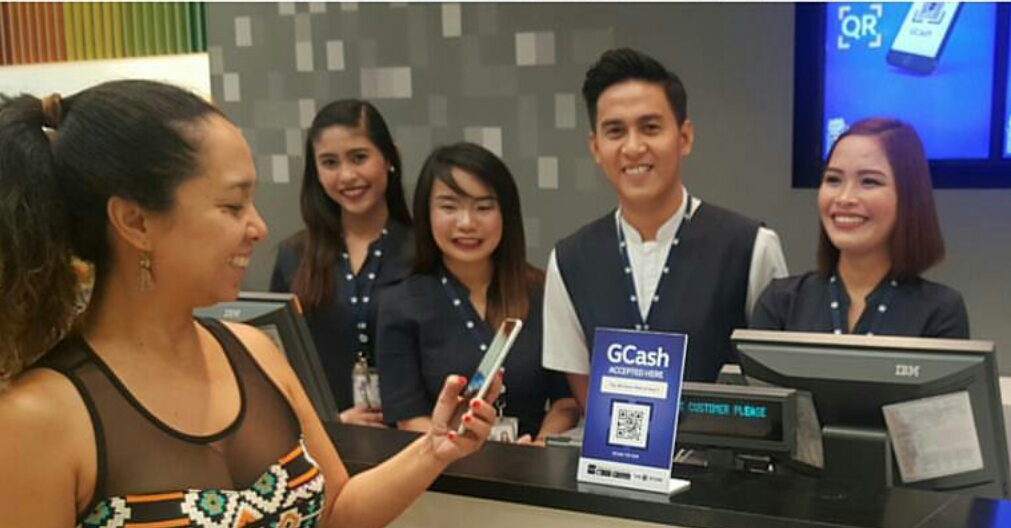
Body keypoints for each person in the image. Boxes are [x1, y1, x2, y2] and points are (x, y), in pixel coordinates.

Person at [0, 81, 497, 528]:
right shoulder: (42, 416)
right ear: (134, 221)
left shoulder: (254, 353)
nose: (258, 228)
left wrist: (435, 449)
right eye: (232, 206)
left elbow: (336, 516)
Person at [543, 48, 789, 411]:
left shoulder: (751, 247)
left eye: (650, 127)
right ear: (595, 147)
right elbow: (583, 388)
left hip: (722, 447)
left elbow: (776, 384)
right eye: (615, 131)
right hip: (611, 447)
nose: (633, 147)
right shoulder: (570, 260)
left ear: (684, 137)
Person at [376, 143, 579, 443]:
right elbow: (408, 417)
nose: (467, 223)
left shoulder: (542, 292)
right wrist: (458, 450)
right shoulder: (400, 304)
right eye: (449, 207)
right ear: (426, 213)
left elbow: (566, 401)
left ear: (506, 214)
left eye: (483, 207)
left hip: (530, 464)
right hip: (443, 466)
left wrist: (538, 446)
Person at [751, 118, 970, 338]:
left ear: (909, 196)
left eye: (869, 182)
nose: (844, 198)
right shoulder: (781, 303)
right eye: (833, 179)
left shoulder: (940, 311)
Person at [270, 99, 413, 427]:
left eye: (359, 157)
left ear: (389, 157)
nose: (347, 175)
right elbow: (278, 366)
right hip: (326, 437)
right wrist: (331, 421)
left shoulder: (425, 251)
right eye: (330, 162)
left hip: (413, 439)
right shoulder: (294, 255)